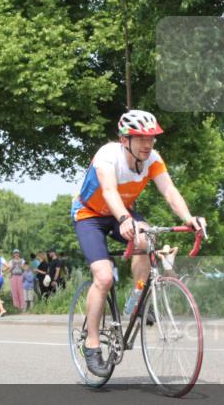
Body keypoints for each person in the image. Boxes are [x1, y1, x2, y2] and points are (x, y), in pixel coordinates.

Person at [71, 109, 206, 376]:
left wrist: (189, 218)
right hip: (91, 215)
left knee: (147, 239)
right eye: (141, 138)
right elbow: (109, 191)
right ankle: (92, 343)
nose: (148, 144)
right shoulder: (107, 156)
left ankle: (136, 300)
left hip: (123, 212)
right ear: (124, 140)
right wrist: (123, 218)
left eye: (152, 138)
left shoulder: (153, 159)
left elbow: (169, 190)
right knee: (104, 277)